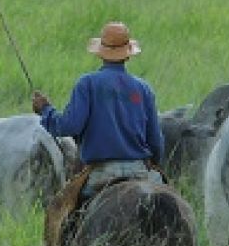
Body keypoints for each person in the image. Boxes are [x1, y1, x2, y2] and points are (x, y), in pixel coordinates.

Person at [32, 21, 165, 200]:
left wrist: (46, 111)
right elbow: (156, 140)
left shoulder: (87, 84)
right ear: (128, 55)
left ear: (101, 54)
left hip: (100, 174)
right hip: (140, 170)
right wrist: (154, 162)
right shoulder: (143, 89)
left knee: (63, 214)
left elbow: (69, 126)